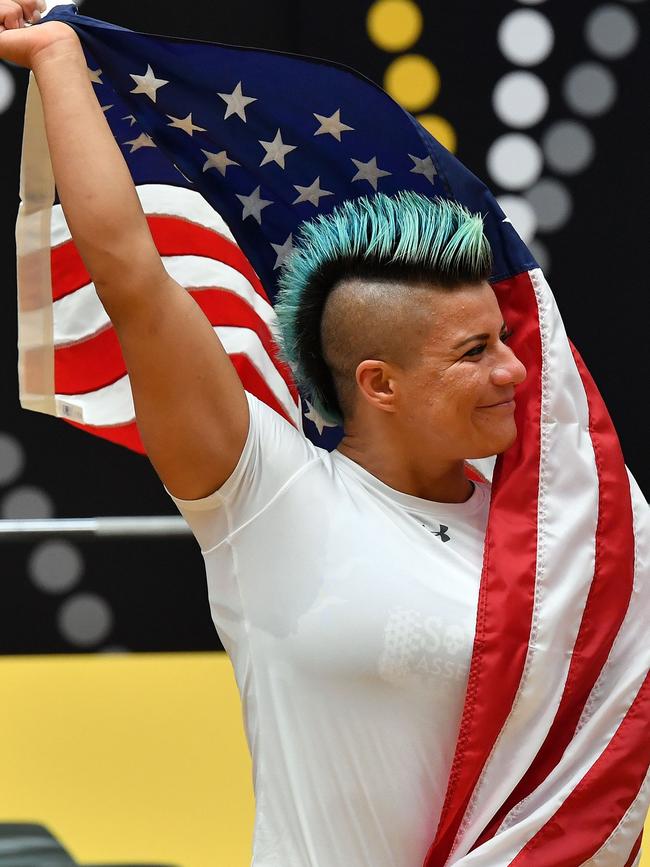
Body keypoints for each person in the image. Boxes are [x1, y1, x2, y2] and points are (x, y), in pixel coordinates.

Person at [5, 6, 645, 867]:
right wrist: (54, 55)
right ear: (378, 383)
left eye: (503, 339)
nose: (515, 371)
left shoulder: (562, 544)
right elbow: (130, 272)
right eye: (474, 351)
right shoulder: (265, 495)